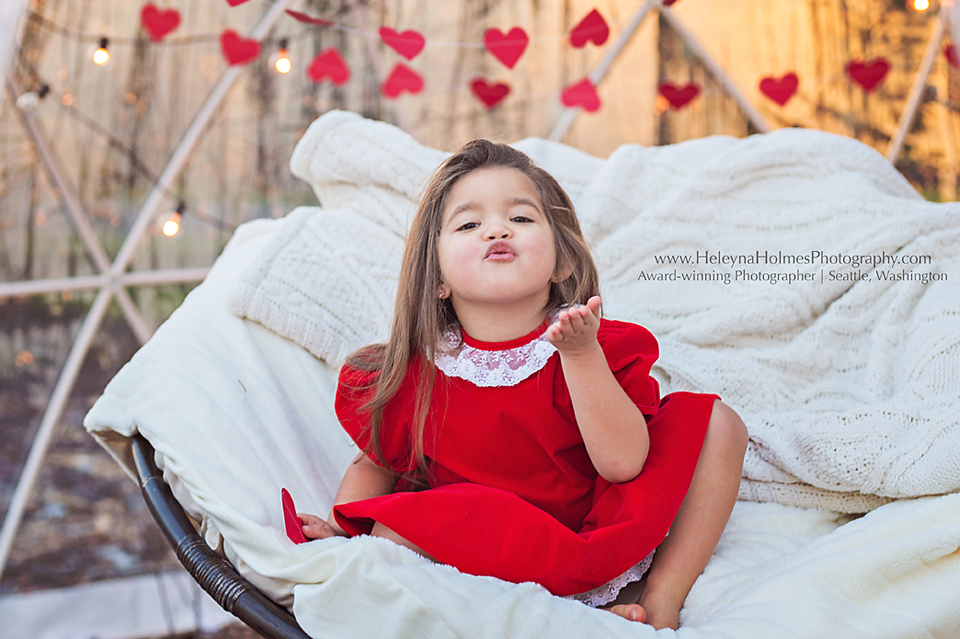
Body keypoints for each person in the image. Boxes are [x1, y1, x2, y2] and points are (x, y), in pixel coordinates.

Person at [297, 139, 748, 630]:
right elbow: (377, 463)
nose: (496, 229)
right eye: (469, 224)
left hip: (588, 532)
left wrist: (580, 356)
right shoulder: (416, 371)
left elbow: (623, 464)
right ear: (437, 277)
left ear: (563, 263)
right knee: (390, 532)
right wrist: (346, 531)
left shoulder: (594, 345)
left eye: (522, 218)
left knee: (719, 424)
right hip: (480, 542)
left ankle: (662, 594)